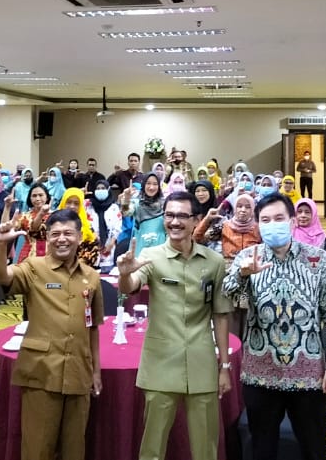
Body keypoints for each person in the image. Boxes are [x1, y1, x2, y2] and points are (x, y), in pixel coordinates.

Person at [224, 192, 326, 460]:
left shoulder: (316, 259)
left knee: (314, 448)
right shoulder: (248, 258)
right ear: (258, 224)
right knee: (262, 449)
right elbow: (229, 296)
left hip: (310, 375)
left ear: (291, 222)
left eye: (279, 218)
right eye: (265, 220)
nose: (272, 225)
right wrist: (243, 275)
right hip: (260, 374)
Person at [116, 191, 232, 460]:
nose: (175, 222)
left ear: (196, 221)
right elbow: (131, 285)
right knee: (152, 448)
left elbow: (221, 314)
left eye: (182, 216)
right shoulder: (151, 256)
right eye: (169, 215)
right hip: (161, 362)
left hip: (202, 361)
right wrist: (124, 275)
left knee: (206, 448)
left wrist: (225, 367)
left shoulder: (214, 262)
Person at [0, 210, 103, 460]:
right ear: (48, 237)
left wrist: (95, 371)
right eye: (55, 234)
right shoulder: (34, 267)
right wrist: (1, 246)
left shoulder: (91, 277)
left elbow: (93, 326)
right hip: (41, 371)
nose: (62, 239)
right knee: (37, 448)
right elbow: (2, 276)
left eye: (68, 233)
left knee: (75, 448)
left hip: (78, 372)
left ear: (79, 236)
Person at [16, 184, 52, 262]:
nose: (37, 198)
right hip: (28, 254)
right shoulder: (25, 216)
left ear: (47, 197)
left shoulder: (55, 216)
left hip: (50, 254)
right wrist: (7, 207)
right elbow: (7, 229)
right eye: (34, 196)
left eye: (41, 195)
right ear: (30, 198)